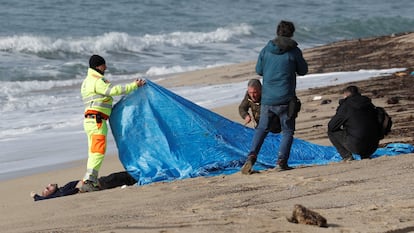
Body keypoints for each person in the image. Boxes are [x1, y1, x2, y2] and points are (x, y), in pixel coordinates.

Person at [241, 20, 308, 174]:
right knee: (287, 131)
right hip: (286, 98)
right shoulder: (294, 51)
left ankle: (251, 156)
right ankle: (281, 162)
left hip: (267, 99)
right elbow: (303, 70)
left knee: (262, 129)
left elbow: (259, 70)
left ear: (277, 32)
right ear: (291, 33)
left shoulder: (266, 49)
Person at [80, 55, 146, 192]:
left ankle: (90, 179)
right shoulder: (97, 80)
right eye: (104, 65)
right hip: (97, 120)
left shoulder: (86, 81)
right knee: (98, 151)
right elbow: (112, 91)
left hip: (90, 120)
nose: (106, 68)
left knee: (93, 151)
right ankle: (89, 181)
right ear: (98, 66)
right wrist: (134, 86)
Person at [328, 86, 380, 160]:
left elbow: (331, 126)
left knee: (331, 132)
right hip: (374, 146)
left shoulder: (346, 105)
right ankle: (365, 156)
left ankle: (347, 156)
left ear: (346, 94)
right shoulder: (369, 104)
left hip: (357, 146)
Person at [30, 171, 137, 201]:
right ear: (49, 194)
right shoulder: (59, 194)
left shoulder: (61, 189)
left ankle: (135, 176)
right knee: (115, 178)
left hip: (91, 182)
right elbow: (43, 199)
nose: (49, 185)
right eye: (48, 188)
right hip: (91, 186)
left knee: (116, 178)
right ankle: (137, 177)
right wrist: (36, 196)